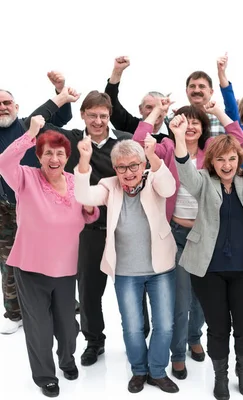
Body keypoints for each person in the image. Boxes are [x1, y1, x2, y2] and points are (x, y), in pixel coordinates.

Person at [171, 112, 243, 400]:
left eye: (231, 159)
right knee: (218, 327)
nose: (226, 165)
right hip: (209, 269)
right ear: (212, 162)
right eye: (220, 159)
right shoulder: (203, 182)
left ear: (238, 159)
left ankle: (242, 369)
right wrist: (180, 138)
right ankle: (220, 375)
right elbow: (184, 172)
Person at [132, 97, 243, 379]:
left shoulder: (212, 150)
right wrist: (159, 111)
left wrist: (217, 110)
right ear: (175, 126)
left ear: (204, 126)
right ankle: (178, 354)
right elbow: (137, 143)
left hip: (208, 236)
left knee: (201, 297)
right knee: (182, 298)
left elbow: (239, 141)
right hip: (178, 234)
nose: (191, 125)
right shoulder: (169, 147)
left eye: (196, 121)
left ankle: (195, 337)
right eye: (184, 120)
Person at [0, 115, 99, 398]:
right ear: (39, 156)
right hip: (31, 267)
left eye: (59, 153)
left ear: (67, 157)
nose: (54, 158)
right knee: (39, 327)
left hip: (66, 268)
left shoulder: (74, 180)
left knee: (67, 326)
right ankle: (45, 376)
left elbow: (90, 211)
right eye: (47, 153)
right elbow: (4, 162)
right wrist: (30, 133)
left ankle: (67, 359)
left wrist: (91, 211)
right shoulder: (25, 178)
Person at [74, 135, 179, 394]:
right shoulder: (109, 185)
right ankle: (139, 371)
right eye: (122, 167)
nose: (128, 172)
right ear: (115, 169)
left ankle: (157, 371)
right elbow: (83, 194)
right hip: (125, 272)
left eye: (134, 165)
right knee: (132, 326)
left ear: (143, 165)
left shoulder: (154, 178)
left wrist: (153, 156)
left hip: (160, 268)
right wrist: (85, 161)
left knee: (164, 324)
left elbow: (169, 189)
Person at [42, 90, 134, 366]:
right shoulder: (69, 141)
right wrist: (59, 98)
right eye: (92, 115)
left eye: (103, 116)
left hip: (125, 229)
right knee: (89, 291)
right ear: (82, 114)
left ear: (109, 116)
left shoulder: (125, 142)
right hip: (88, 232)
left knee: (133, 288)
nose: (97, 120)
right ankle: (94, 342)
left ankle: (138, 339)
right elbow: (36, 123)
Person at [0, 72, 74, 335]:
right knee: (10, 260)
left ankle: (62, 300)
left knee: (53, 250)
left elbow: (59, 116)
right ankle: (14, 312)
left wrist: (61, 91)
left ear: (16, 107)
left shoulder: (27, 126)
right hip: (5, 208)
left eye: (6, 102)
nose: (2, 107)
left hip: (38, 206)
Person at [104, 56, 170, 142]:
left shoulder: (175, 131)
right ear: (140, 109)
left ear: (166, 110)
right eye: (149, 107)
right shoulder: (131, 126)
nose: (154, 112)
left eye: (158, 107)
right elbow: (110, 102)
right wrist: (117, 71)